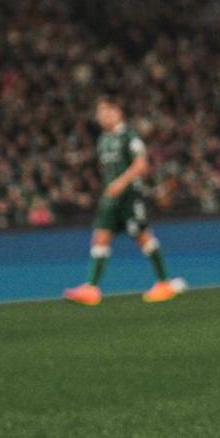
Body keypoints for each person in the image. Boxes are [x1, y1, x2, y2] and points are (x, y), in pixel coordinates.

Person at [63, 97, 183, 305]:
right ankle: (91, 288)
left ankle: (164, 283)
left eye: (106, 111)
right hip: (111, 198)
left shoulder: (129, 136)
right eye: (99, 113)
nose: (101, 116)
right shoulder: (103, 139)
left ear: (117, 112)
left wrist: (121, 182)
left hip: (129, 196)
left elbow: (141, 164)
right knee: (100, 238)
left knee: (143, 237)